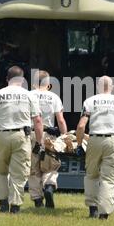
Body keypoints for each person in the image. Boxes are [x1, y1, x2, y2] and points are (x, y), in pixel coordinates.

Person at [0, 66, 44, 214]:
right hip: (22, 136)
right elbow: (38, 121)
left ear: (7, 79)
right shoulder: (29, 96)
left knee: (0, 170)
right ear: (23, 80)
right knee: (18, 173)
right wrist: (39, 143)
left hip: (2, 136)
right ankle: (15, 206)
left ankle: (2, 203)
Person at [75, 76, 114, 220]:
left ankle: (92, 209)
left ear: (97, 86)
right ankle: (104, 212)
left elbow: (81, 126)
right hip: (113, 141)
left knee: (91, 175)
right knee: (110, 178)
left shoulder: (89, 101)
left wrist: (79, 144)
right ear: (113, 87)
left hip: (94, 139)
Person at [29, 70, 68, 209]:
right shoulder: (54, 97)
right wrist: (65, 138)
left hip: (32, 134)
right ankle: (49, 186)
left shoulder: (28, 95)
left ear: (34, 84)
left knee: (33, 169)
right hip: (49, 136)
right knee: (50, 166)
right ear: (49, 84)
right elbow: (61, 120)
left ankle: (37, 200)